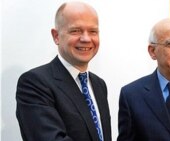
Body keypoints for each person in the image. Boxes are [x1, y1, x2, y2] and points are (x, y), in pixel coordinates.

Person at [16, 2, 111, 141]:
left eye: (93, 31)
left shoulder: (99, 85)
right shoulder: (34, 83)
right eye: (76, 31)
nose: (86, 38)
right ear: (56, 36)